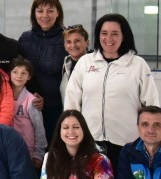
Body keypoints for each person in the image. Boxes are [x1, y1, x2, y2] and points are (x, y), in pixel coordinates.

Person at [64, 13, 159, 170]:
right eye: (104, 33)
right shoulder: (85, 62)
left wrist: (152, 136)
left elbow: (151, 103)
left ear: (124, 36)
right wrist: (71, 132)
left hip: (127, 143)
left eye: (115, 33)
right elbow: (72, 100)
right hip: (90, 141)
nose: (109, 38)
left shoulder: (137, 64)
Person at [18, 0, 68, 140]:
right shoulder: (25, 38)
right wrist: (34, 94)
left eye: (50, 11)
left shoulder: (66, 38)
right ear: (34, 13)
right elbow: (19, 71)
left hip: (57, 107)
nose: (44, 15)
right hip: (29, 105)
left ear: (58, 13)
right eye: (40, 11)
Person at [9, 57, 47, 170]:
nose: (19, 76)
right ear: (9, 74)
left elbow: (39, 128)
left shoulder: (31, 100)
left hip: (27, 152)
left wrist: (38, 154)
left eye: (23, 73)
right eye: (15, 72)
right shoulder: (3, 97)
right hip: (8, 150)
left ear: (29, 77)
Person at [59, 24, 90, 103]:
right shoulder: (65, 65)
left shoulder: (95, 65)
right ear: (65, 46)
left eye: (77, 41)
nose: (73, 45)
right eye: (68, 42)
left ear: (87, 42)